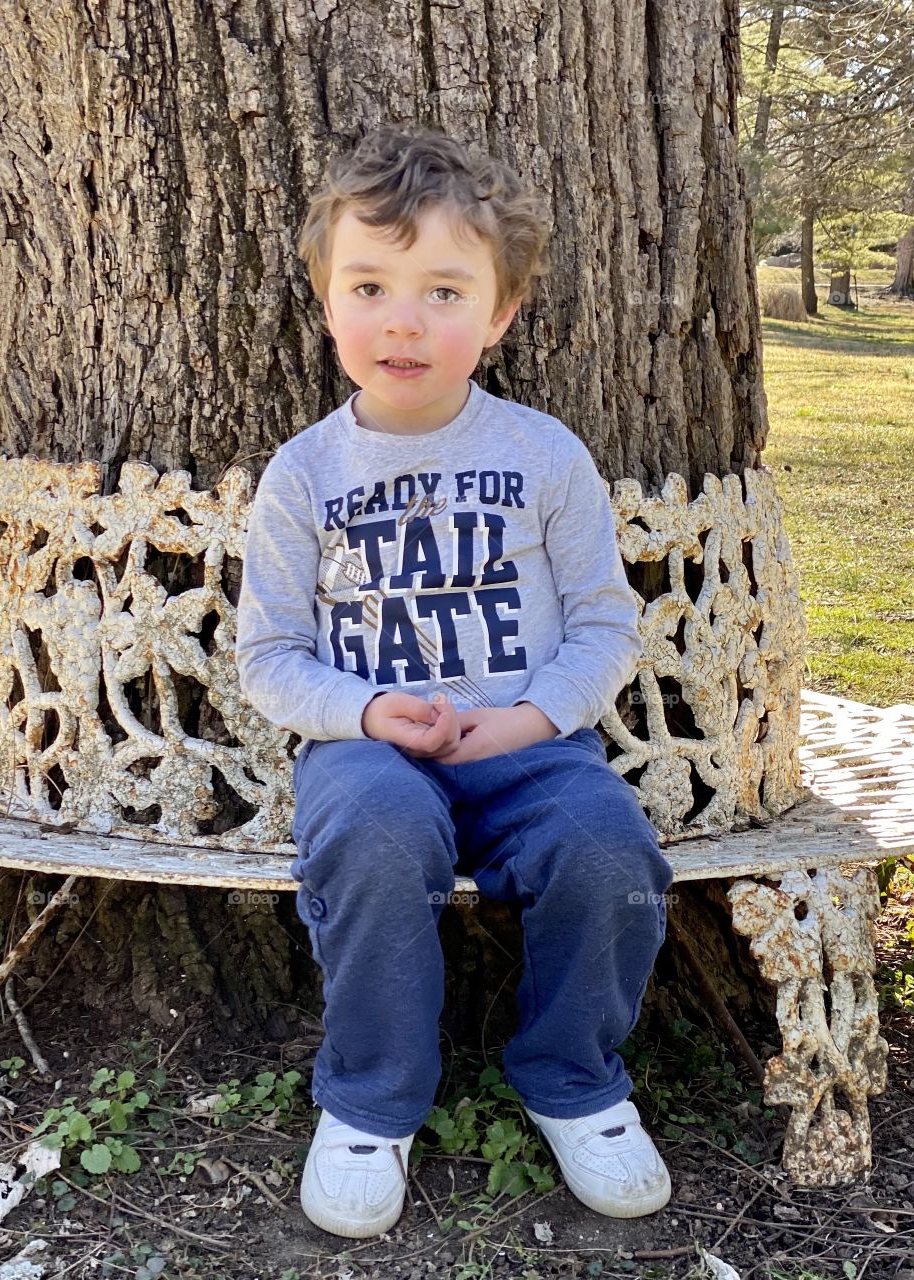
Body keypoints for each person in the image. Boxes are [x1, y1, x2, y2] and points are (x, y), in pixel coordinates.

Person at [235, 123, 674, 1240]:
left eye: (443, 289)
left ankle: (573, 1075)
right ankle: (373, 1097)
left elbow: (604, 623)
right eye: (371, 285)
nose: (404, 319)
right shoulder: (305, 474)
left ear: (502, 311)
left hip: (532, 747)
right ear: (329, 303)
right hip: (368, 749)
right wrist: (368, 710)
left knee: (609, 845)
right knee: (374, 829)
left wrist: (530, 716)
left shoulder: (543, 454)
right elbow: (271, 656)